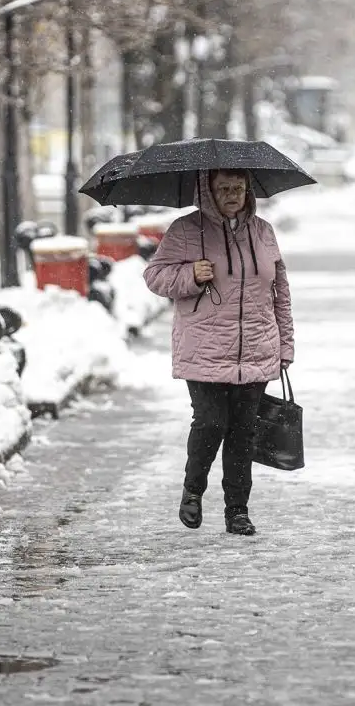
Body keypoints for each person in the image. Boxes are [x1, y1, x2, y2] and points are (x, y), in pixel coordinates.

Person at [142, 169, 295, 537]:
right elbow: (155, 276)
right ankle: (193, 490)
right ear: (208, 191)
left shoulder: (263, 232)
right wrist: (191, 275)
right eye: (224, 188)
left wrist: (285, 345)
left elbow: (281, 294)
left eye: (238, 188)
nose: (232, 195)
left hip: (256, 348)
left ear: (248, 191)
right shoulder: (185, 230)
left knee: (243, 433)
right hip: (205, 349)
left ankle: (237, 511)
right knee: (211, 423)